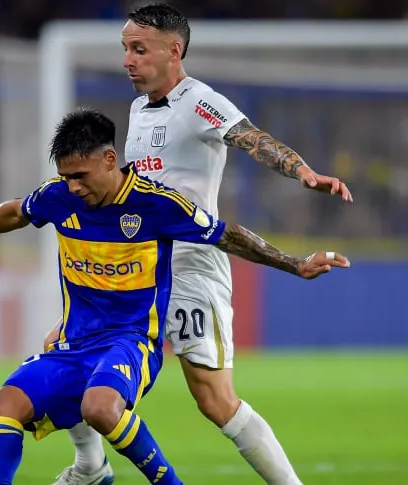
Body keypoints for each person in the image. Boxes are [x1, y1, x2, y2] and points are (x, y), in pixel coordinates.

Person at [0, 109, 350, 485]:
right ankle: (84, 469)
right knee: (1, 406)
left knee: (99, 408)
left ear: (110, 160)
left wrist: (295, 264)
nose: (73, 186)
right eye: (66, 177)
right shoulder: (59, 196)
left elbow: (227, 234)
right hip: (74, 343)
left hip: (130, 342)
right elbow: (16, 211)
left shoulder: (156, 203)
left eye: (81, 175)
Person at [48, 4, 354, 485]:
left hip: (191, 267)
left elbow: (248, 137)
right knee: (62, 350)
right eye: (125, 49)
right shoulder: (138, 109)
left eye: (139, 49)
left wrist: (302, 171)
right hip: (139, 267)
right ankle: (90, 467)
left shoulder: (199, 101)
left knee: (215, 401)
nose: (128, 60)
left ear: (174, 51)